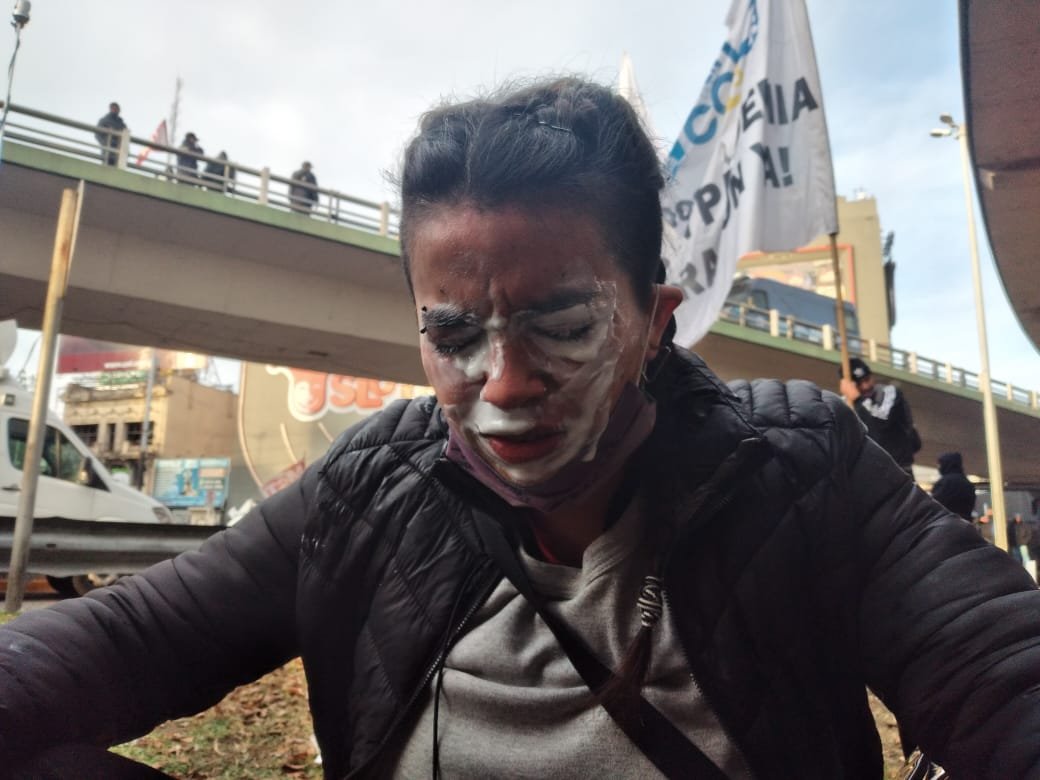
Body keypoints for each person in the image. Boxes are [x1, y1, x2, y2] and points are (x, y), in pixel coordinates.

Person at [3, 77, 1040, 780]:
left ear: (652, 324)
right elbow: (132, 635)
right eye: (452, 335)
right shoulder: (367, 490)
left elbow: (1001, 672)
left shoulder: (796, 468)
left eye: (562, 326)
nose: (502, 383)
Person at [839, 357, 921, 475]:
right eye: (858, 383)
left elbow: (881, 424)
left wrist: (858, 400)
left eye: (867, 379)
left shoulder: (889, 392)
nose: (866, 386)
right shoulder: (843, 405)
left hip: (898, 469)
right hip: (867, 472)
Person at [930, 451, 976, 521]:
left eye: (940, 464)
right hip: (965, 522)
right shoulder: (966, 482)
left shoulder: (946, 482)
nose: (938, 467)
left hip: (947, 522)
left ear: (946, 464)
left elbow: (935, 503)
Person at [95, 101, 127, 166]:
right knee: (107, 165)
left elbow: (126, 137)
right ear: (110, 109)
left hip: (119, 150)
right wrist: (104, 143)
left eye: (117, 109)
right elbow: (97, 134)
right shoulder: (104, 120)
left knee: (118, 166)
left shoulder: (121, 124)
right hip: (108, 148)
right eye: (114, 108)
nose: (115, 110)